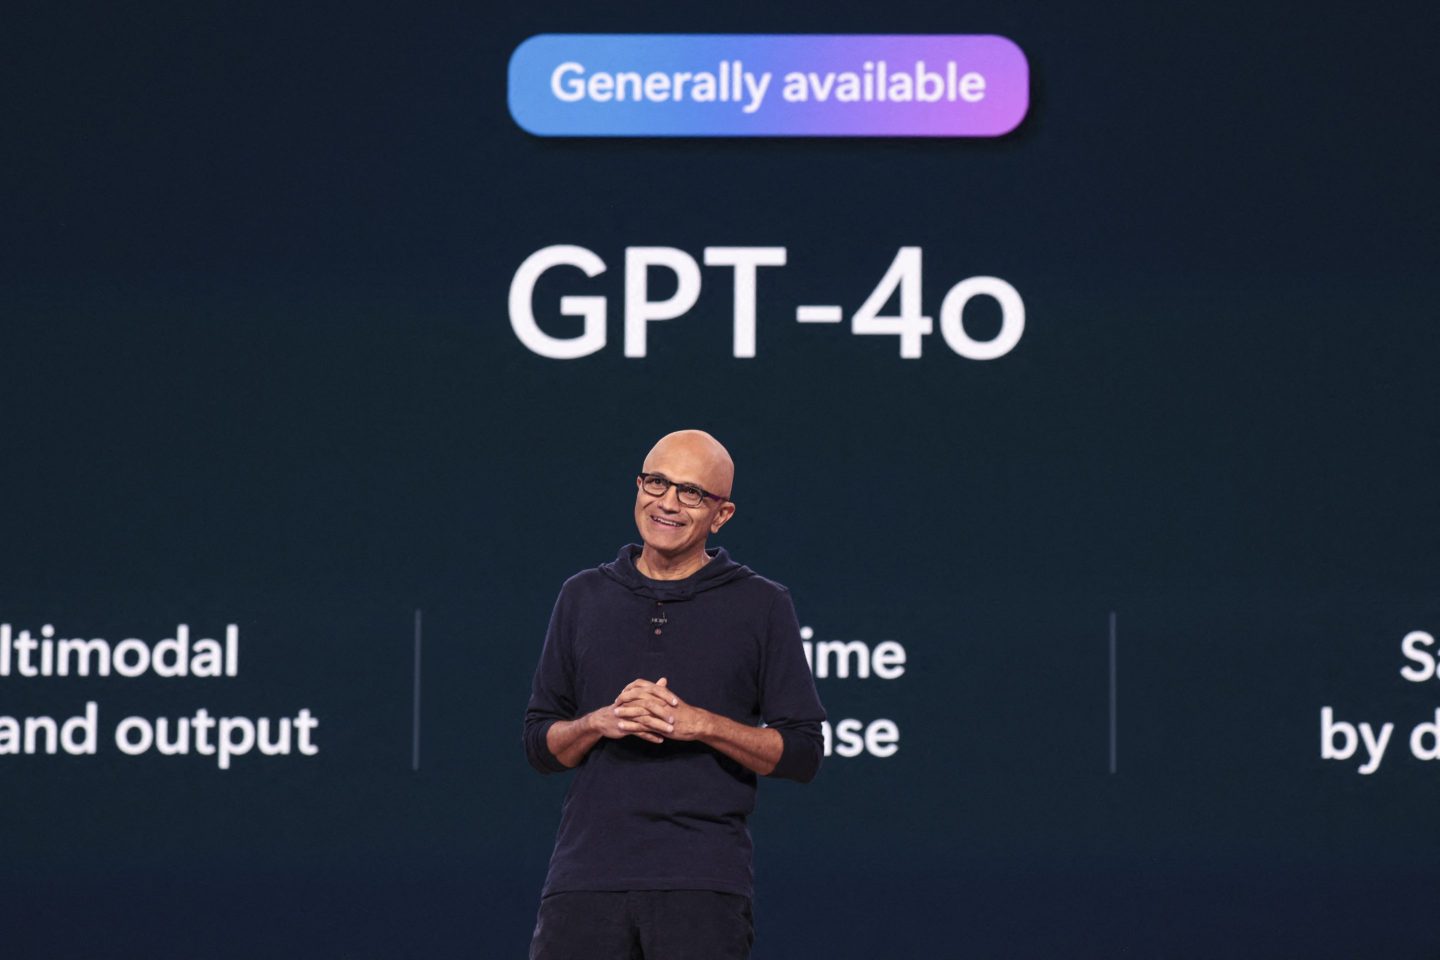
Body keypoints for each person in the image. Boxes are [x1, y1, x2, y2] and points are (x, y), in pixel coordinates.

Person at [523, 429, 826, 960]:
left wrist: (700, 724)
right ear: (638, 486)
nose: (667, 503)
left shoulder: (762, 604)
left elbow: (803, 752)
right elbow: (539, 745)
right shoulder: (582, 595)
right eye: (657, 483)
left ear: (721, 515)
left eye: (691, 493)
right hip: (585, 879)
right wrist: (599, 722)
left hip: (702, 884)